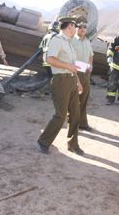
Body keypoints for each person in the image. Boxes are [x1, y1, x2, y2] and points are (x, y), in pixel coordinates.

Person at [37, 16, 84, 155]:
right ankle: (44, 141)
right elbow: (50, 59)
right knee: (61, 115)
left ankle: (73, 144)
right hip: (60, 81)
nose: (76, 29)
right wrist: (68, 66)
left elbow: (73, 67)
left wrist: (78, 82)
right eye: (75, 26)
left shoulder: (69, 43)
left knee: (76, 114)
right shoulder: (57, 40)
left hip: (71, 81)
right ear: (69, 26)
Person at [72, 16, 93, 131]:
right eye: (80, 27)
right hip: (75, 72)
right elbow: (69, 59)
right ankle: (73, 123)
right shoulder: (72, 40)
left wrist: (91, 65)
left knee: (84, 99)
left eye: (84, 27)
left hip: (85, 74)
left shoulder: (87, 41)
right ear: (76, 28)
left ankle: (83, 123)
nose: (82, 29)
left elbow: (91, 55)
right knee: (74, 100)